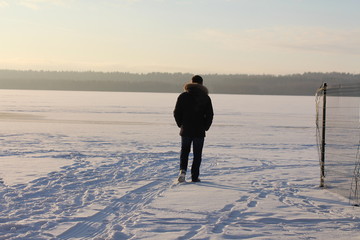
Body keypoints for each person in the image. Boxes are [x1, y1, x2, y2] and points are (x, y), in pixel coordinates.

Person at [173, 75, 214, 182]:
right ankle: (195, 176)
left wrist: (180, 124)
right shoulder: (205, 97)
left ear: (191, 82)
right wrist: (206, 127)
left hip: (186, 129)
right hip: (199, 130)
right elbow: (210, 114)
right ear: (201, 84)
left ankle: (182, 171)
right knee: (197, 153)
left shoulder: (183, 96)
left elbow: (176, 112)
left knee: (184, 152)